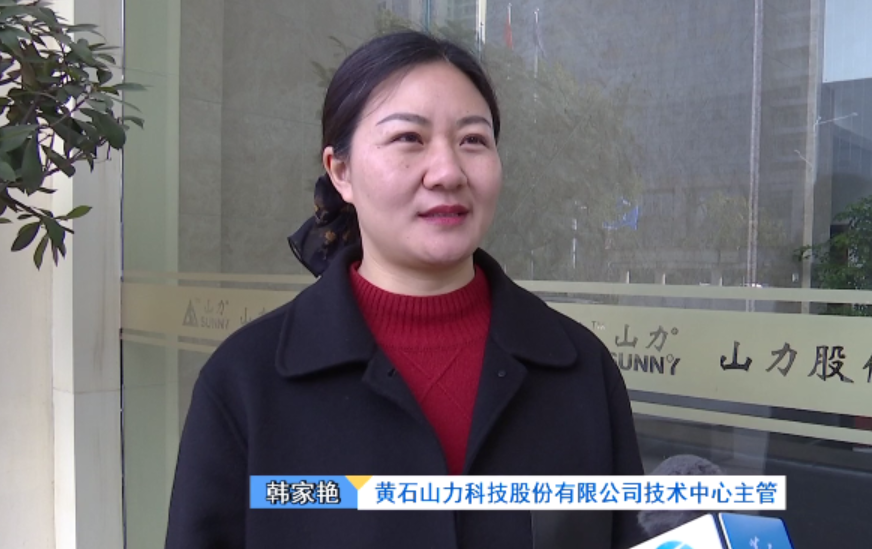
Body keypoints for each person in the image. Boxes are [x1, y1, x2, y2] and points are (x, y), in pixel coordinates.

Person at [165, 30, 645, 549]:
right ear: (341, 171)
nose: (447, 172)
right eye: (408, 139)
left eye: (473, 140)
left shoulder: (580, 369)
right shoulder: (245, 381)